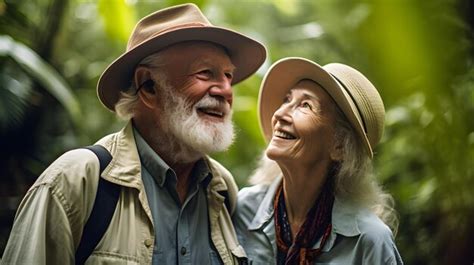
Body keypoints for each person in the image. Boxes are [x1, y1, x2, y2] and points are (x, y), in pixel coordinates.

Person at [1, 3, 266, 265]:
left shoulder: (223, 191)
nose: (225, 90)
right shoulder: (75, 181)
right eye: (205, 73)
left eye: (228, 76)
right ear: (148, 86)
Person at [233, 57, 403, 264]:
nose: (279, 113)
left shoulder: (369, 242)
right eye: (287, 100)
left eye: (305, 105)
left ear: (339, 146)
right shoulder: (243, 209)